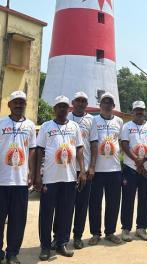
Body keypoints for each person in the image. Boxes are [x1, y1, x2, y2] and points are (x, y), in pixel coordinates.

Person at [34, 95, 86, 260]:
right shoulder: (46, 127)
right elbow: (39, 150)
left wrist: (82, 171)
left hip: (69, 177)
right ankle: (45, 246)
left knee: (66, 212)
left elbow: (79, 149)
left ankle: (61, 242)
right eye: (59, 106)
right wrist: (37, 175)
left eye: (65, 106)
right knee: (47, 214)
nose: (62, 109)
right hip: (50, 178)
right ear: (54, 109)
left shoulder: (74, 127)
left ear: (68, 108)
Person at [0, 91, 37, 264]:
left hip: (21, 182)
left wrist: (31, 171)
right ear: (9, 105)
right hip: (1, 181)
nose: (18, 105)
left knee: (18, 220)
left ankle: (12, 254)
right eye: (15, 102)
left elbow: (32, 149)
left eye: (22, 102)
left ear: (25, 105)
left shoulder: (30, 126)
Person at [120, 100, 147, 242]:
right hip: (131, 168)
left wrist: (145, 159)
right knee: (128, 199)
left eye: (141, 109)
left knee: (145, 199)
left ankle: (141, 228)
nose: (139, 112)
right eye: (136, 110)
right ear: (132, 112)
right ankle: (125, 229)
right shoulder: (127, 126)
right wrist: (137, 159)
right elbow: (124, 144)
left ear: (144, 111)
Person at [88, 92, 123, 245]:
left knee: (113, 203)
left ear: (113, 106)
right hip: (97, 170)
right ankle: (95, 233)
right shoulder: (93, 121)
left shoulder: (119, 121)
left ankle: (110, 232)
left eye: (110, 103)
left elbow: (121, 141)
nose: (107, 105)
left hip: (114, 169)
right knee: (95, 203)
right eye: (104, 102)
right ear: (100, 105)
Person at [67, 92, 98, 249]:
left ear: (87, 104)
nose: (80, 103)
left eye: (83, 101)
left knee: (81, 206)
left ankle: (77, 236)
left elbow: (93, 144)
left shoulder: (91, 120)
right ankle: (60, 237)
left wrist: (91, 167)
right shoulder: (65, 118)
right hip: (66, 170)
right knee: (64, 206)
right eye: (78, 100)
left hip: (83, 170)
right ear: (73, 102)